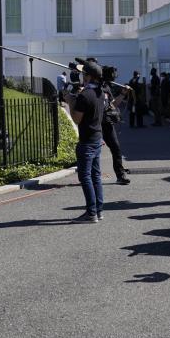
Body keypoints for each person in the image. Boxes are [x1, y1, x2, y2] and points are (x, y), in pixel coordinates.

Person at [64, 60, 106, 223]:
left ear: (89, 77)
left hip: (87, 140)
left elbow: (76, 119)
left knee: (85, 176)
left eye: (83, 74)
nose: (82, 76)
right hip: (97, 138)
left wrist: (70, 100)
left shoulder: (84, 95)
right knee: (96, 175)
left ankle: (91, 212)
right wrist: (77, 98)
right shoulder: (100, 92)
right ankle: (98, 210)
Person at [102, 68, 131, 185]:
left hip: (107, 123)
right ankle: (88, 176)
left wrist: (123, 93)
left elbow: (112, 104)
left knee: (116, 148)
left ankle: (120, 175)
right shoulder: (93, 87)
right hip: (94, 123)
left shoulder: (106, 87)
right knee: (92, 151)